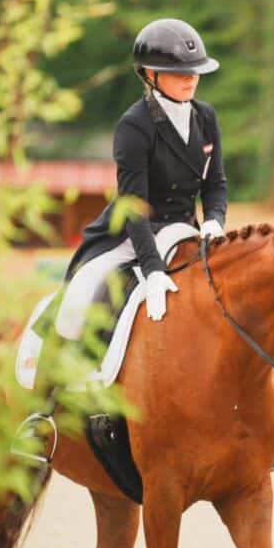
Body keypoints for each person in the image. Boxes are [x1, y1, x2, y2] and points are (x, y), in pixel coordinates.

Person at [54, 18, 227, 341]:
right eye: (180, 72)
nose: (191, 78)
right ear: (150, 74)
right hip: (133, 236)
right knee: (76, 303)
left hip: (185, 231)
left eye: (196, 71)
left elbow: (215, 183)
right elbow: (133, 207)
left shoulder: (206, 116)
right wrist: (153, 268)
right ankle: (59, 377)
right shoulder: (135, 125)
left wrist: (215, 220)